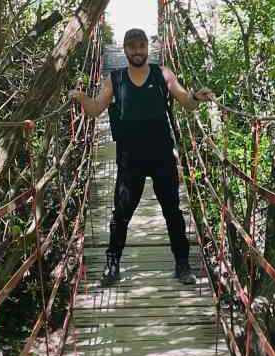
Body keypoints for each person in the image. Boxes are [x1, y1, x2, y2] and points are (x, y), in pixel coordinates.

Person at [69, 27, 215, 286]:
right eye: (132, 46)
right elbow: (94, 110)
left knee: (172, 212)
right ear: (125, 49)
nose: (137, 51)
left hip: (161, 157)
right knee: (121, 215)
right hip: (130, 159)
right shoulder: (115, 79)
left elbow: (186, 102)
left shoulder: (163, 74)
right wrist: (82, 98)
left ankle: (182, 265)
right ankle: (112, 264)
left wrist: (196, 97)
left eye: (141, 45)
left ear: (148, 47)